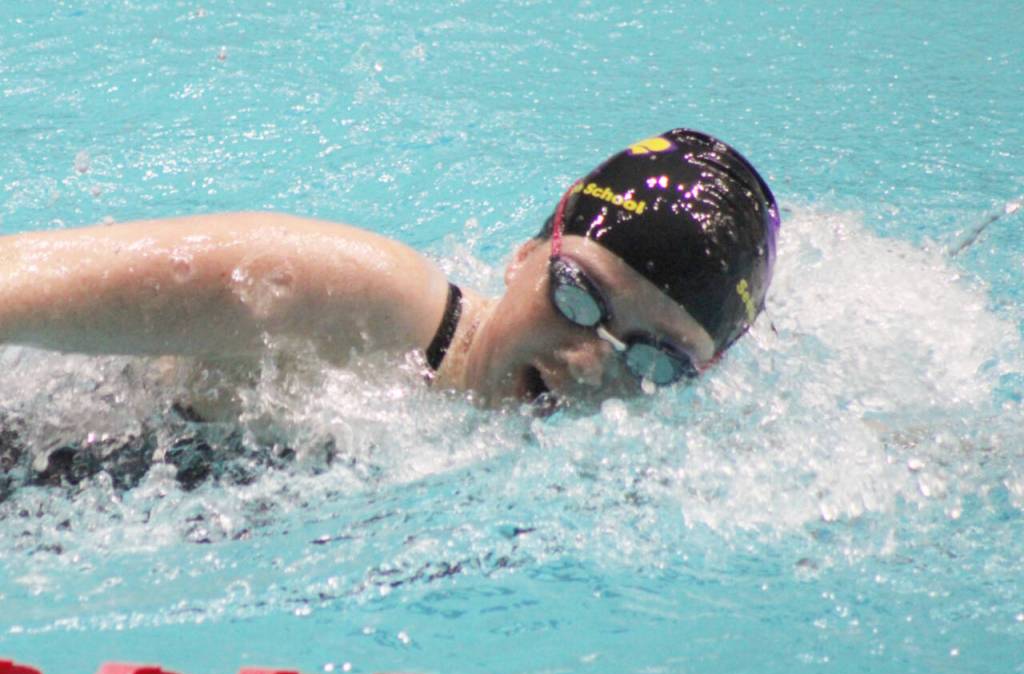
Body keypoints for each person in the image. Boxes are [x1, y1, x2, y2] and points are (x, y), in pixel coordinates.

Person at [0, 128, 779, 411]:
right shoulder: (353, 296)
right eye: (578, 297)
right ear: (524, 255)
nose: (588, 363)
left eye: (654, 360)